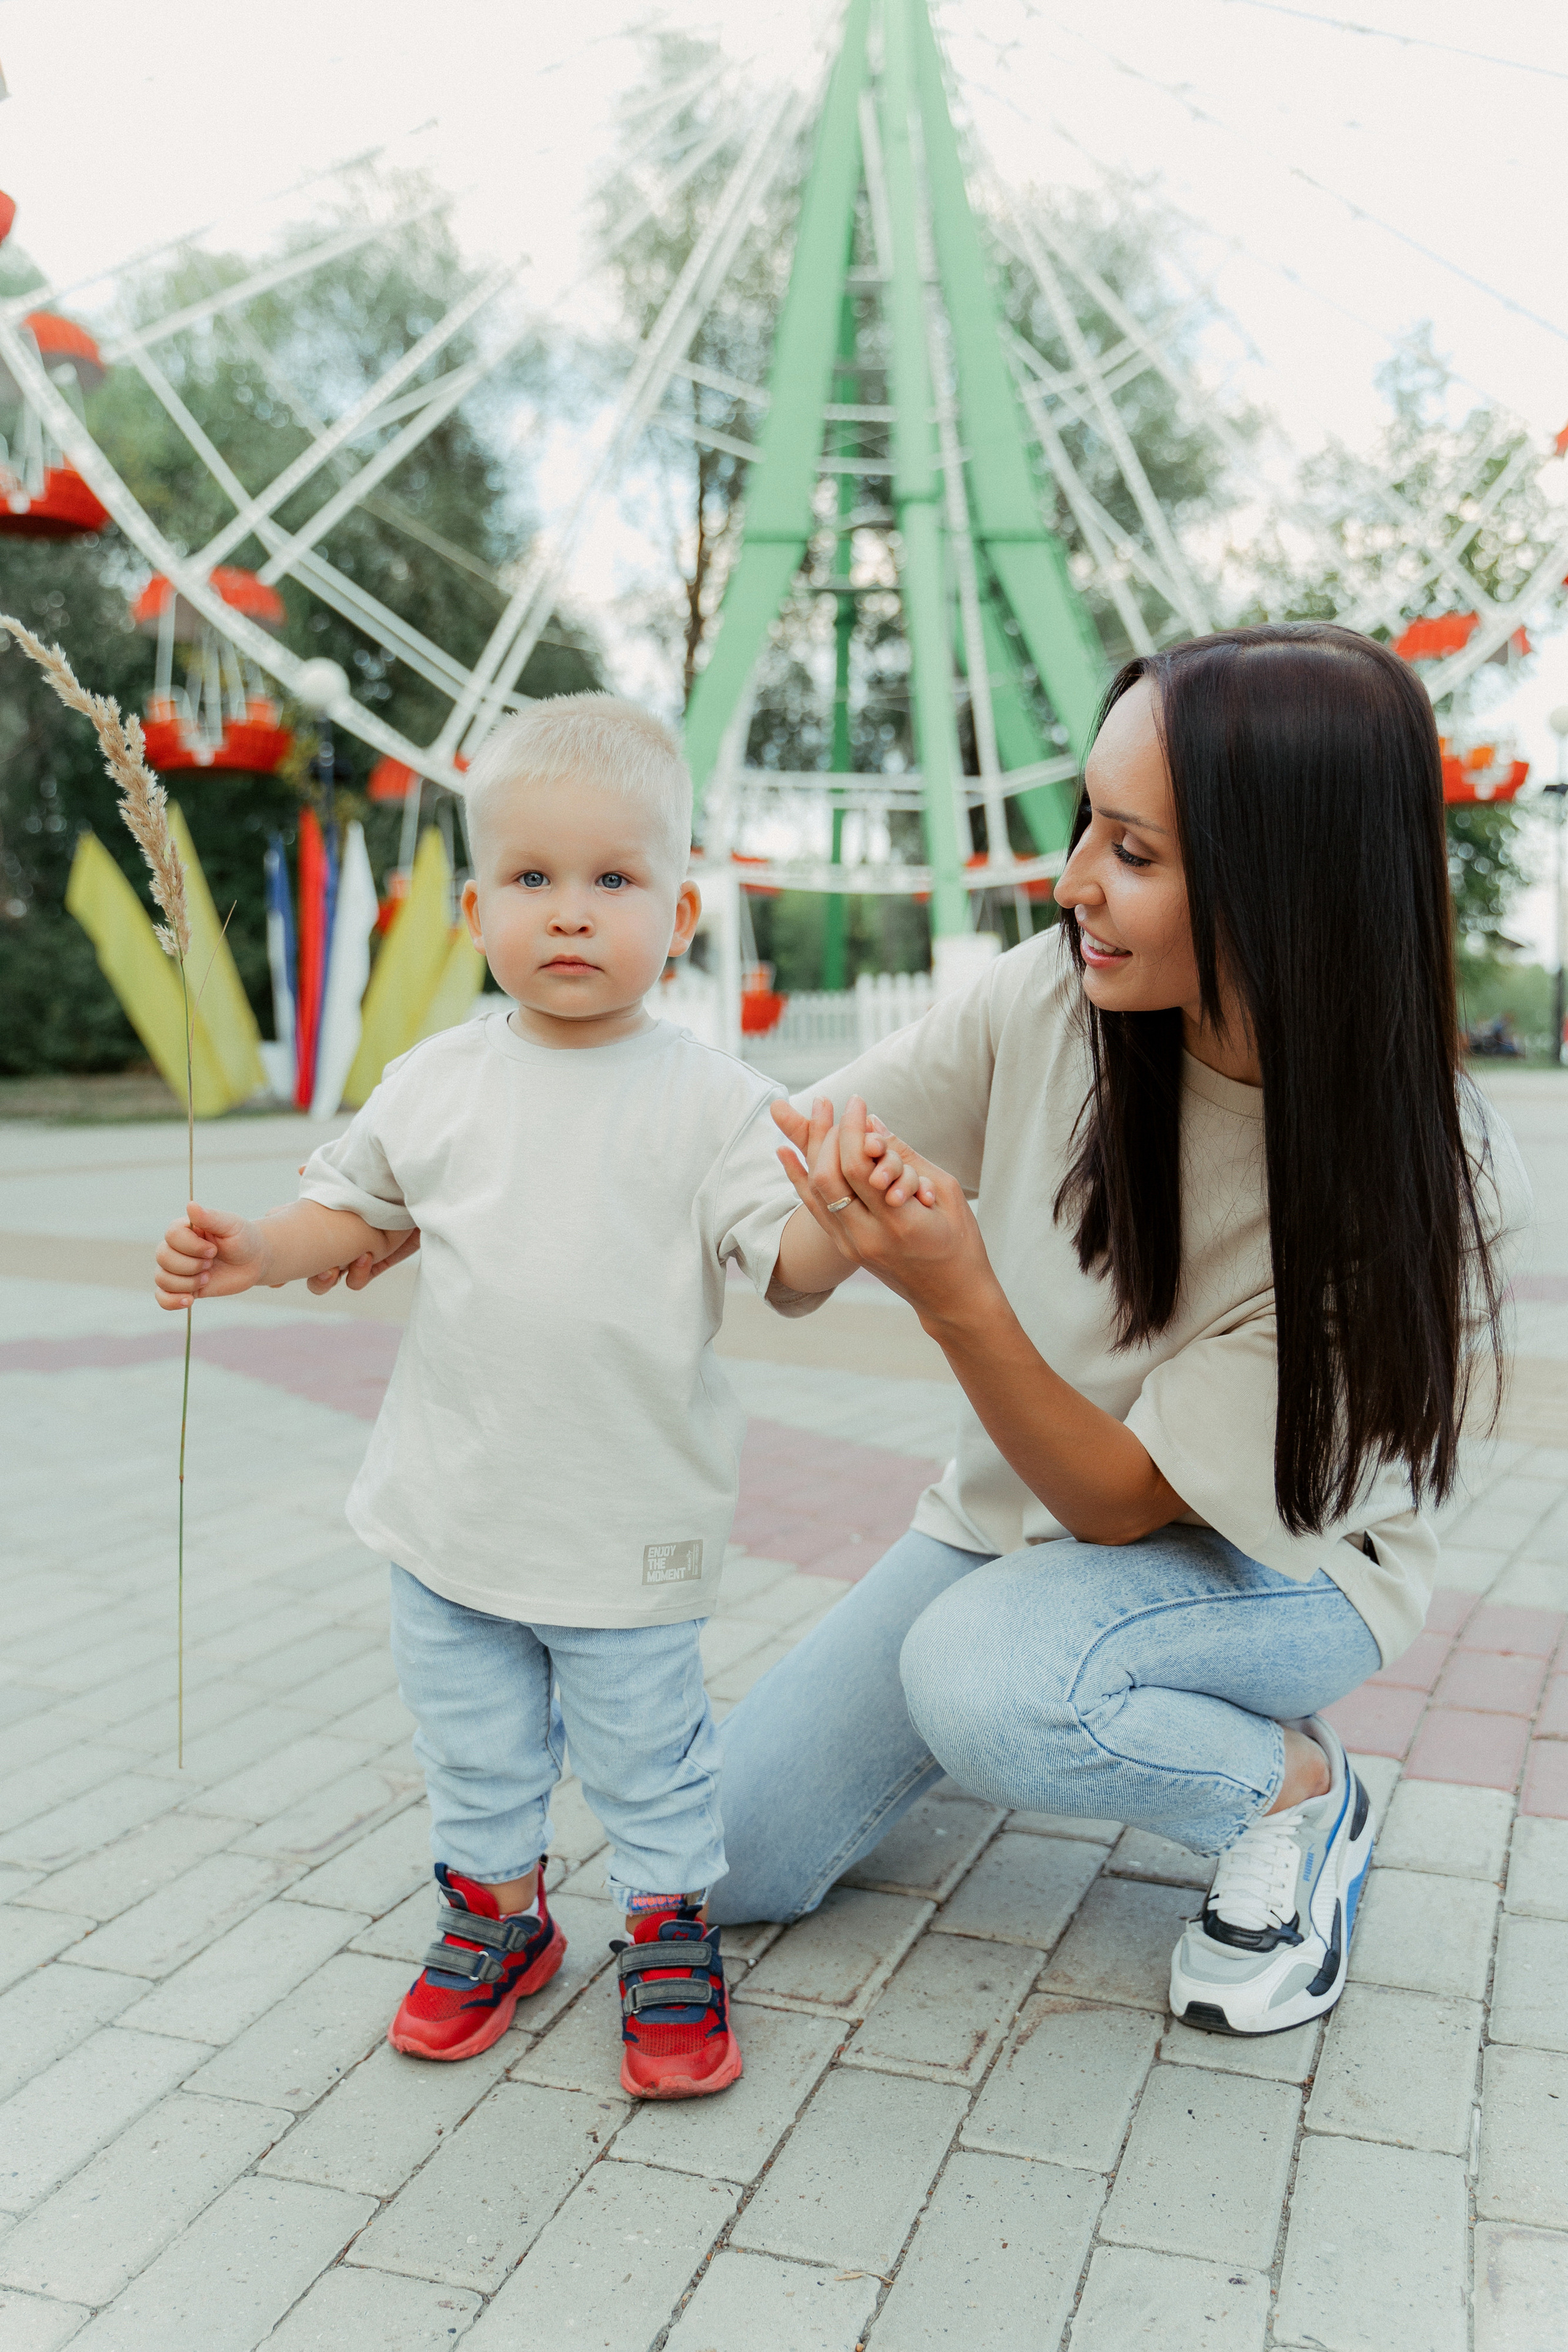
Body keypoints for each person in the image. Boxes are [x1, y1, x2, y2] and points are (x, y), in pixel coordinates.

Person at [706, 622, 1527, 2039]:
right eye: (1087, 822)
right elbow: (768, 1179)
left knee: (983, 1677)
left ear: (1287, 885)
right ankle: (1079, 1710)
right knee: (725, 1859)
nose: (1071, 878)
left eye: (1134, 852)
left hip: (1278, 1571)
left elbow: (1124, 1502)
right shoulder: (1050, 997)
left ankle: (1292, 1797)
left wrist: (951, 1290)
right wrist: (824, 1224)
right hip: (1008, 1532)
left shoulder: (1429, 1180)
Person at [151, 694, 851, 2099]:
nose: (572, 914)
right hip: (451, 1515)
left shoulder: (716, 1103)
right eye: (532, 880)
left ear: (683, 910)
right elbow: (345, 1217)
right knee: (471, 1752)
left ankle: (663, 1931)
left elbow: (788, 1270)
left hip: (626, 1526)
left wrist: (848, 1216)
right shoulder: (437, 1082)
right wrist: (250, 1253)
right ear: (474, 908)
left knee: (651, 1760)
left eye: (613, 880)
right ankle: (497, 1916)